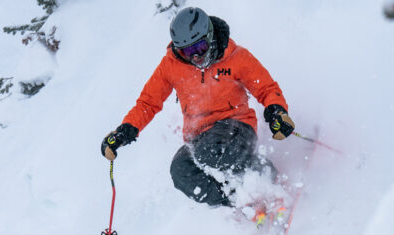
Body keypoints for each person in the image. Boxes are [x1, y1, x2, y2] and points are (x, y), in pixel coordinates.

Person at [100, 7, 295, 212]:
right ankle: (240, 201)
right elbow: (148, 102)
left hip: (237, 127)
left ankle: (266, 177)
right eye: (187, 52)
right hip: (199, 137)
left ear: (209, 36)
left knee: (208, 152)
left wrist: (277, 112)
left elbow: (265, 87)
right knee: (180, 170)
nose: (196, 57)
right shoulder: (171, 66)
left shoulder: (236, 57)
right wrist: (125, 131)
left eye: (200, 47)